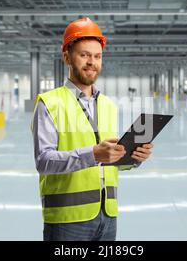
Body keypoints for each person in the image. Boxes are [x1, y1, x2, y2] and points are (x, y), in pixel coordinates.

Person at [31, 17, 154, 241]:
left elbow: (108, 161)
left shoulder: (107, 104)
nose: (92, 62)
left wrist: (133, 158)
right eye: (84, 55)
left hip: (107, 216)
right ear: (67, 56)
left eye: (97, 56)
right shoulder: (49, 103)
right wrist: (93, 154)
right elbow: (44, 161)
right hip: (67, 220)